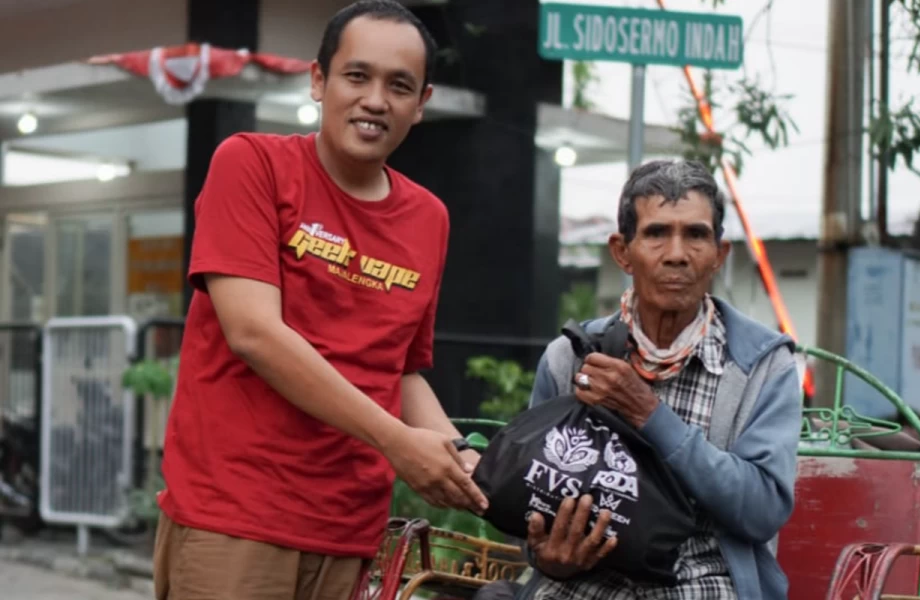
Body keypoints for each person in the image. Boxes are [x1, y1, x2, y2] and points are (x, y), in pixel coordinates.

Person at [152, 2, 488, 599]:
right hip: (235, 520)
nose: (376, 99)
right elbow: (254, 332)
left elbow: (400, 369)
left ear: (421, 103)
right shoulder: (251, 164)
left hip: (352, 532)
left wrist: (462, 461)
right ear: (318, 81)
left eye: (399, 85)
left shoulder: (428, 219)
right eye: (357, 76)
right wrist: (396, 442)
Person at [500, 159, 802, 600]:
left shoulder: (761, 366)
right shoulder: (570, 357)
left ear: (719, 255)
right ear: (622, 252)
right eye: (657, 233)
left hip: (702, 582)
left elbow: (761, 510)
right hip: (582, 583)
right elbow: (527, 501)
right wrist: (547, 556)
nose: (677, 254)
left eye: (696, 235)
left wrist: (648, 413)